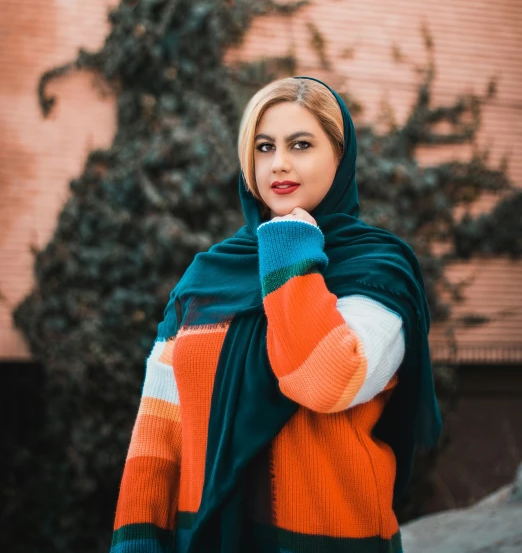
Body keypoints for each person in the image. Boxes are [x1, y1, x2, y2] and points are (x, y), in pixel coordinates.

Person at [109, 75, 442, 553]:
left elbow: (328, 381)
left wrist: (289, 249)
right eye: (263, 147)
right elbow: (159, 430)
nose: (278, 164)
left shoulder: (378, 271)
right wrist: (135, 541)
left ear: (340, 155)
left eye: (301, 144)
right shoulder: (207, 277)